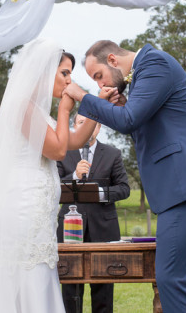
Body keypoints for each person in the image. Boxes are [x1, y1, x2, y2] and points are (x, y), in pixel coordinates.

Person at [63, 40, 186, 313]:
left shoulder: (154, 63)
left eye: (99, 76)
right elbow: (138, 120)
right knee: (175, 279)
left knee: (173, 279)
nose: (100, 85)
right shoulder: (142, 75)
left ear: (113, 60)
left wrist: (83, 96)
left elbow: (129, 119)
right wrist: (124, 104)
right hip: (179, 187)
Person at [0, 38, 103, 312]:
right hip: (23, 210)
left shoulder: (37, 110)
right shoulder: (21, 106)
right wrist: (65, 109)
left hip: (37, 212)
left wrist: (98, 107)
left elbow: (74, 140)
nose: (69, 80)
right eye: (64, 73)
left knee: (39, 273)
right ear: (43, 72)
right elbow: (59, 151)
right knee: (28, 274)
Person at [56, 114, 130, 313]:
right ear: (74, 126)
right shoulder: (63, 152)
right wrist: (73, 176)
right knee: (70, 288)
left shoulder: (112, 154)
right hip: (70, 230)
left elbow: (124, 188)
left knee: (103, 288)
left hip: (104, 230)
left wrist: (99, 193)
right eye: (81, 123)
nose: (86, 127)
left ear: (98, 127)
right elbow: (52, 187)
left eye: (91, 123)